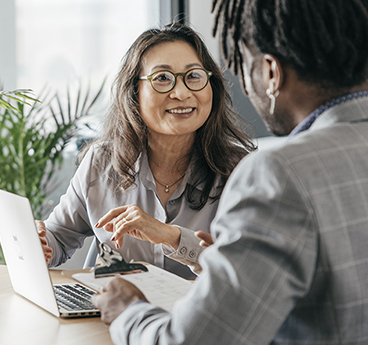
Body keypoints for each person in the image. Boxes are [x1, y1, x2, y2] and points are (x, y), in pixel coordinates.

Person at [91, 0, 368, 343]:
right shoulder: (102, 161)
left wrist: (127, 309)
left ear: (270, 72)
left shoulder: (278, 174)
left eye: (243, 69)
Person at [37, 23, 255, 280]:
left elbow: (245, 270)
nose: (181, 93)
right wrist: (40, 242)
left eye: (194, 76)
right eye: (162, 78)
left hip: (192, 318)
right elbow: (58, 238)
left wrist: (172, 237)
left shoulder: (242, 171)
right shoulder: (101, 162)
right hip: (113, 314)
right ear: (134, 93)